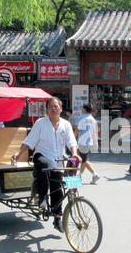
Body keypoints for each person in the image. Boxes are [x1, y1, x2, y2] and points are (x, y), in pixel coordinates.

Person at [11, 97, 81, 233]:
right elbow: (30, 140)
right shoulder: (40, 123)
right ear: (47, 110)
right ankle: (42, 197)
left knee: (58, 187)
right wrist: (19, 153)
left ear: (61, 109)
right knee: (43, 165)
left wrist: (74, 154)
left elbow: (72, 142)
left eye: (56, 106)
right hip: (41, 155)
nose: (53, 109)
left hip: (57, 159)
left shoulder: (66, 125)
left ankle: (57, 217)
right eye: (50, 107)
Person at [75, 103, 100, 184]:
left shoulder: (82, 118)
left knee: (84, 160)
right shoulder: (93, 119)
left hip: (82, 142)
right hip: (89, 142)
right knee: (83, 159)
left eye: (82, 108)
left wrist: (72, 138)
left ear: (84, 110)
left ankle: (94, 174)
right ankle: (80, 175)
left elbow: (78, 130)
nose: (81, 109)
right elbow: (94, 132)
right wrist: (96, 141)